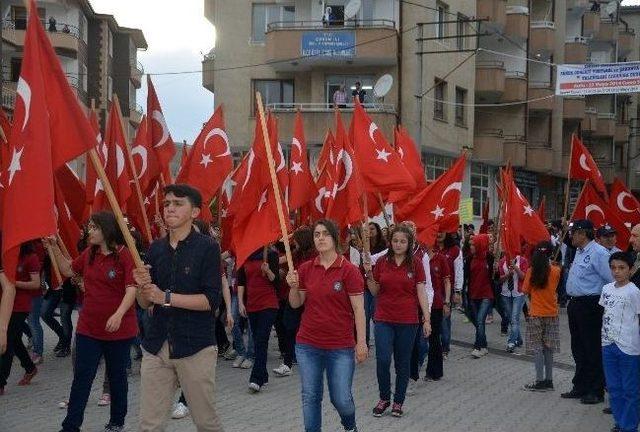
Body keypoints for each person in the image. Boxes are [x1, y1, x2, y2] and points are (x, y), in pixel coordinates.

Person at [133, 184, 224, 432]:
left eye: (178, 203)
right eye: (166, 204)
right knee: (149, 424)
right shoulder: (156, 249)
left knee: (206, 422)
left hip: (195, 346)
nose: (170, 208)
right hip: (156, 345)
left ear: (194, 212)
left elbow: (210, 301)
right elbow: (145, 303)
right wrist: (143, 288)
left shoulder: (207, 247)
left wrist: (166, 297)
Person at [46, 212, 137, 432]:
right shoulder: (89, 254)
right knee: (82, 377)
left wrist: (118, 313)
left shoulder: (125, 255)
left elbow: (131, 288)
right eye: (89, 227)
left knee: (117, 378)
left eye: (94, 227)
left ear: (106, 230)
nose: (90, 231)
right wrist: (54, 246)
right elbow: (68, 269)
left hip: (119, 330)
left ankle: (117, 421)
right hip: (89, 327)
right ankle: (71, 425)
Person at [286, 219, 367, 432]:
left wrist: (361, 343)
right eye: (316, 234)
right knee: (310, 396)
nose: (320, 238)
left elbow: (359, 309)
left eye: (325, 234)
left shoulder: (349, 270)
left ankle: (350, 425)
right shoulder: (305, 269)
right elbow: (296, 303)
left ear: (334, 237)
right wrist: (293, 287)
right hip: (308, 344)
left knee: (341, 398)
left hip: (340, 346)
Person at [363, 225, 431, 418]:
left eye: (402, 241)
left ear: (409, 243)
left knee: (402, 362)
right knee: (383, 359)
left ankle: (398, 402)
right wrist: (368, 273)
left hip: (408, 321)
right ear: (390, 242)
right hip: (383, 318)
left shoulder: (416, 263)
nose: (398, 244)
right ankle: (384, 398)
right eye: (395, 241)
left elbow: (421, 292)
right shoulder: (382, 262)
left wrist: (426, 319)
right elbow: (374, 291)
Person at [561, 219, 613, 405]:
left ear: (583, 233)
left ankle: (595, 389)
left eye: (573, 232)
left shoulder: (598, 253)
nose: (570, 236)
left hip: (591, 305)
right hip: (576, 304)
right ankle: (581, 385)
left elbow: (610, 280)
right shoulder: (579, 251)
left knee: (591, 348)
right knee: (578, 348)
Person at [600, 252, 640, 432]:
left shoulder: (634, 291)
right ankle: (620, 422)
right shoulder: (607, 289)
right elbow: (606, 313)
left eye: (622, 268)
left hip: (629, 347)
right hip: (608, 344)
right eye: (613, 267)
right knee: (614, 388)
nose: (616, 271)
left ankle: (629, 427)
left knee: (630, 390)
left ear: (631, 270)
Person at [272, 227, 316, 378]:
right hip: (293, 295)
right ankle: (287, 363)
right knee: (289, 325)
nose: (294, 242)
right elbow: (279, 253)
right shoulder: (295, 254)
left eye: (296, 239)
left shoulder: (315, 255)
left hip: (310, 298)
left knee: (305, 328)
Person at [237, 246, 280, 393]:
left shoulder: (271, 254)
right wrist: (241, 303)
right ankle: (264, 375)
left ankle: (256, 379)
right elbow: (241, 281)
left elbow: (277, 282)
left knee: (261, 340)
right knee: (257, 340)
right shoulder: (245, 254)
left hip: (269, 304)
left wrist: (268, 271)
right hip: (252, 305)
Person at [0, 241, 41, 395]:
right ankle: (30, 367)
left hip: (20, 305)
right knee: (15, 340)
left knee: (8, 341)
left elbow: (36, 284)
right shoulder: (6, 257)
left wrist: (13, 283)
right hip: (5, 304)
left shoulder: (31, 257)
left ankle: (1, 381)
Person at [521, 241, 561, 391]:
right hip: (552, 313)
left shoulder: (532, 271)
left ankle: (539, 380)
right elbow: (556, 288)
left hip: (536, 312)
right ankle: (549, 380)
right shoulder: (556, 270)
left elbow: (525, 290)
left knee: (537, 348)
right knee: (549, 348)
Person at [424, 244, 450, 381]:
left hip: (436, 304)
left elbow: (447, 281)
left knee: (434, 338)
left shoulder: (440, 259)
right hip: (421, 303)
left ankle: (434, 371)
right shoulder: (418, 257)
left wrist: (446, 302)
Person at [435, 232, 462, 358]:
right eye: (437, 231)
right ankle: (434, 346)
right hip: (432, 291)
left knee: (445, 320)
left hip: (447, 291)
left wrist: (457, 291)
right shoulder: (430, 248)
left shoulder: (455, 250)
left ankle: (445, 348)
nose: (439, 234)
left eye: (442, 231)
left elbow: (459, 270)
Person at [468, 234, 494, 358]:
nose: (471, 246)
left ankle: (478, 347)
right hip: (473, 294)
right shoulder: (469, 259)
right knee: (479, 322)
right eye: (471, 244)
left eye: (474, 244)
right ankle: (483, 346)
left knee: (479, 320)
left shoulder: (490, 258)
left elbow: (495, 276)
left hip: (486, 294)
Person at [498, 253, 529, 352]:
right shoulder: (502, 261)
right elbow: (500, 279)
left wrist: (515, 267)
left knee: (514, 319)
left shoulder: (523, 260)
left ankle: (511, 342)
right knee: (512, 319)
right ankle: (518, 340)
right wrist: (508, 274)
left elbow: (524, 276)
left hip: (518, 294)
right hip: (506, 293)